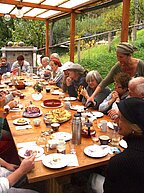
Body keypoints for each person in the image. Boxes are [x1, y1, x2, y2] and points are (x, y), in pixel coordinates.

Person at [91, 97, 144, 193]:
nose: (115, 121)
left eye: (120, 118)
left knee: (91, 178)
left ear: (133, 126)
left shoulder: (120, 162)